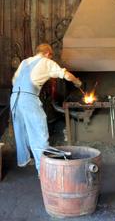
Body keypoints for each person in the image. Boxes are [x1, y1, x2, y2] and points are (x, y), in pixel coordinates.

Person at [10, 43, 82, 175]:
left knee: (21, 130)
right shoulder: (46, 62)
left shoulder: (25, 62)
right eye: (51, 55)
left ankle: (24, 159)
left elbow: (14, 80)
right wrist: (76, 81)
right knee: (39, 132)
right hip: (28, 99)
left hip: (14, 97)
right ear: (48, 54)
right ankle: (42, 170)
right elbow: (64, 74)